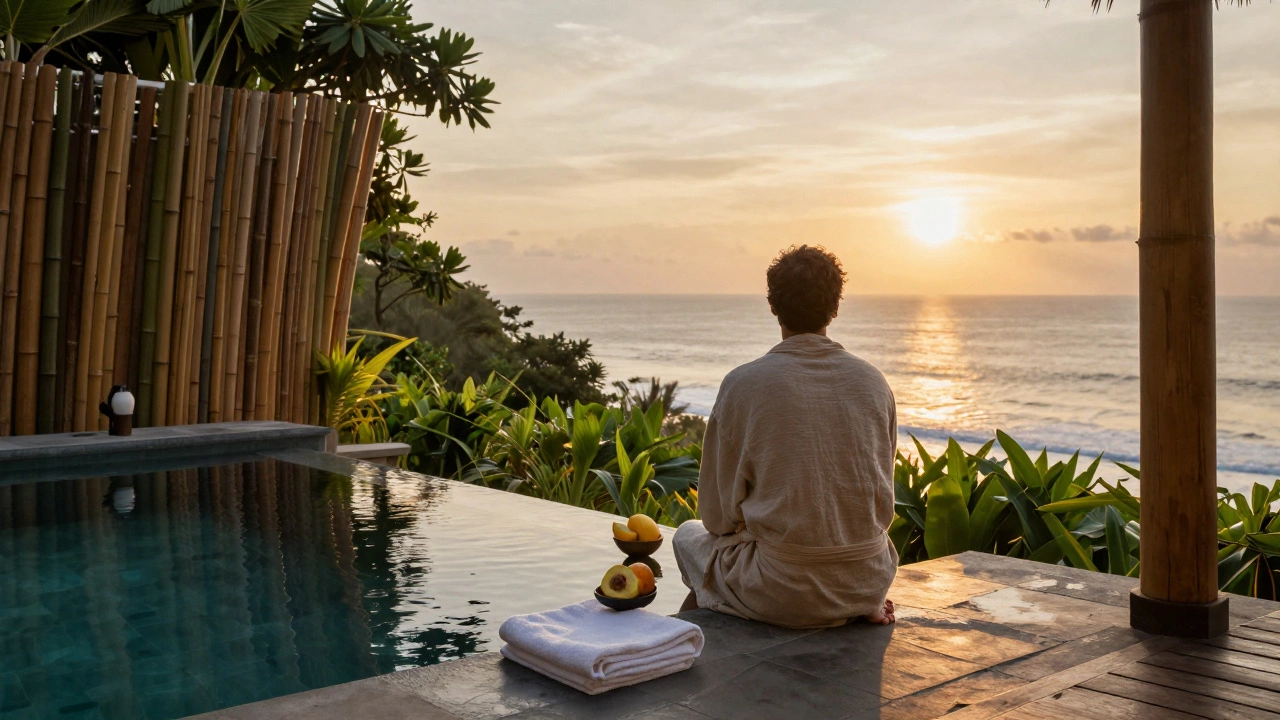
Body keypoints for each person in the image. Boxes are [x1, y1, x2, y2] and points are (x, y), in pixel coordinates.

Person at [673, 245, 898, 628]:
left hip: (782, 588)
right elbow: (875, 497)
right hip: (867, 580)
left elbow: (715, 516)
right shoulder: (874, 382)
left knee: (686, 536)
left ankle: (684, 651)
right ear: (835, 306)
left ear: (773, 305)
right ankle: (853, 604)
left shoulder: (744, 384)